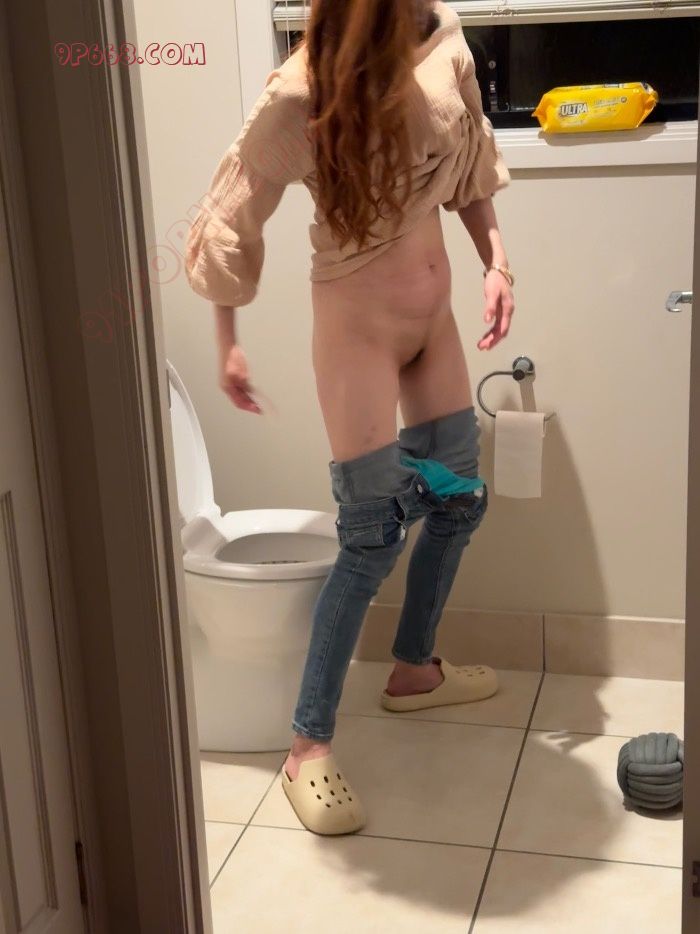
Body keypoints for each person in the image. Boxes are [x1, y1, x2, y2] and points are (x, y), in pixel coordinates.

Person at [185, 0, 515, 835]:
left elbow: (470, 160)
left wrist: (496, 262)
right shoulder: (302, 92)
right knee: (371, 538)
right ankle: (308, 747)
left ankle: (414, 670)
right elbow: (233, 211)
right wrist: (227, 342)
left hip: (434, 324)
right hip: (356, 332)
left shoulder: (440, 34)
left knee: (460, 502)